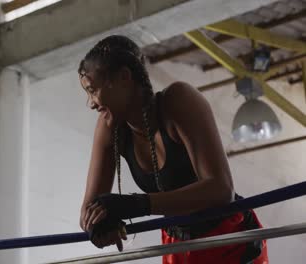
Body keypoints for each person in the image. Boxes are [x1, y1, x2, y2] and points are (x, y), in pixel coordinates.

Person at [78, 35, 268, 263]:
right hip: (176, 245)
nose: (91, 103)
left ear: (124, 78)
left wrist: (137, 204)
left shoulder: (178, 101)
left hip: (228, 238)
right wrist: (100, 225)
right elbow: (89, 211)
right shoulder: (110, 126)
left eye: (93, 89)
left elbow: (221, 189)